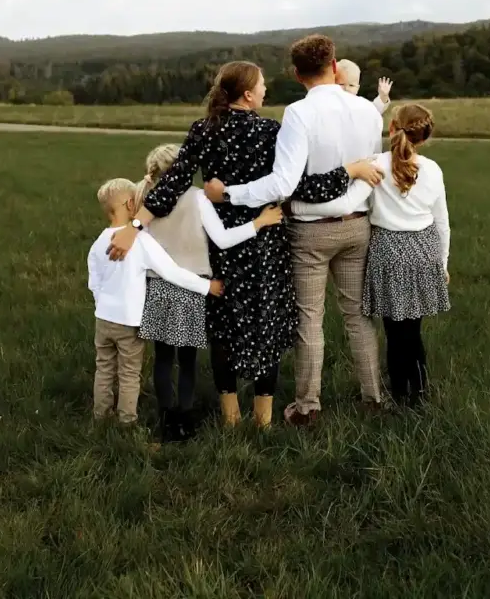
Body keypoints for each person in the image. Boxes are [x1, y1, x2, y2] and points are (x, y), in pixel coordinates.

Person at [107, 62, 375, 427]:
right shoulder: (271, 131)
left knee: (224, 326)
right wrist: (350, 171)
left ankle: (230, 418)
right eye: (262, 85)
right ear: (247, 94)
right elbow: (299, 186)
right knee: (267, 324)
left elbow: (172, 185)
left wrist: (135, 226)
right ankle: (262, 421)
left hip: (223, 244)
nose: (266, 90)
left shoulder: (204, 129)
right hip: (266, 241)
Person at [205, 36, 386, 425]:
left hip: (310, 231)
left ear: (296, 73)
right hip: (357, 225)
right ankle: (373, 397)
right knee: (357, 317)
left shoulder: (299, 114)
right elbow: (367, 167)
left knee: (310, 320)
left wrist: (230, 194)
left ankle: (308, 407)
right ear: (335, 65)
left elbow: (282, 184)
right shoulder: (369, 112)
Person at [291, 104, 450, 408]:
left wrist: (298, 209)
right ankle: (418, 390)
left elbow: (347, 203)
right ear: (424, 136)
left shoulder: (375, 164)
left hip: (388, 251)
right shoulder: (433, 169)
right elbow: (441, 221)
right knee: (413, 329)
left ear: (391, 129)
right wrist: (443, 262)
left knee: (394, 329)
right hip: (424, 250)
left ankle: (401, 393)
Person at [134, 144, 283, 441]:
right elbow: (224, 239)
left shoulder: (146, 200)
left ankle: (167, 419)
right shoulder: (199, 198)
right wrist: (259, 222)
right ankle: (186, 420)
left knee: (163, 358)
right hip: (192, 287)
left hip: (156, 286)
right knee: (187, 359)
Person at [88, 177, 222, 426]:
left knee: (104, 369)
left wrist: (102, 305)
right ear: (131, 204)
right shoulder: (139, 242)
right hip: (128, 321)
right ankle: (126, 422)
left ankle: (101, 416)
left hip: (103, 320)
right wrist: (207, 286)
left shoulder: (98, 243)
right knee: (129, 373)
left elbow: (93, 283)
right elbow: (171, 272)